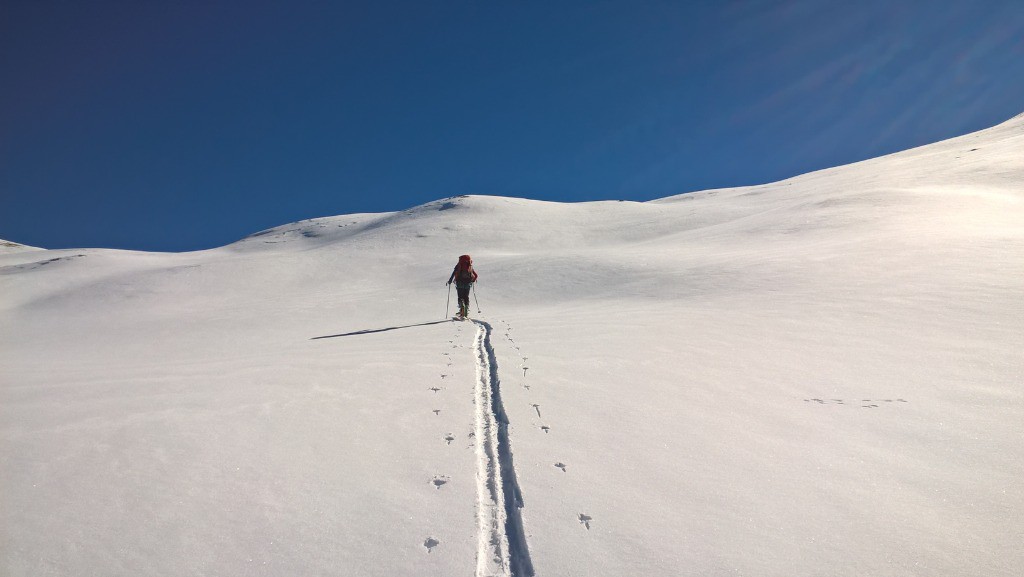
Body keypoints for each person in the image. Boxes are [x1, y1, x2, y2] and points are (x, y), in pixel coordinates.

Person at [446, 254, 478, 319]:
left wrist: (450, 281)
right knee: (466, 296)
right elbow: (476, 275)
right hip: (468, 283)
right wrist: (472, 281)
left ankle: (461, 308)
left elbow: (453, 274)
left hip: (459, 283)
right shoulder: (470, 266)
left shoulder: (458, 265)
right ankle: (466, 308)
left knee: (460, 296)